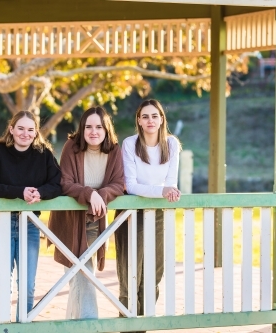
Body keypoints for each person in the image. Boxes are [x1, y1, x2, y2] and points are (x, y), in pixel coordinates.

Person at [0, 110, 62, 321]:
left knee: (27, 285)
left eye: (30, 129)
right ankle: (4, 326)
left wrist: (41, 193)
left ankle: (23, 325)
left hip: (29, 223)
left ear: (36, 131)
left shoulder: (44, 154)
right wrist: (20, 192)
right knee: (3, 282)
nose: (25, 134)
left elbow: (57, 183)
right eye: (20, 128)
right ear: (11, 129)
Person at [48, 106, 124, 319]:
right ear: (81, 129)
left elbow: (119, 183)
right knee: (81, 275)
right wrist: (90, 194)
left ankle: (73, 324)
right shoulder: (71, 147)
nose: (93, 131)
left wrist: (103, 193)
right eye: (88, 127)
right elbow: (65, 182)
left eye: (99, 127)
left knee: (80, 275)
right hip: (71, 222)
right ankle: (89, 324)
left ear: (106, 129)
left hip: (96, 220)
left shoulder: (114, 151)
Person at [115, 99, 181, 333]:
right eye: (145, 116)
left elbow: (171, 185)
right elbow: (131, 186)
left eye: (155, 116)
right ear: (139, 121)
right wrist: (161, 191)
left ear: (162, 119)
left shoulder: (172, 145)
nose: (150, 120)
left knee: (154, 272)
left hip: (157, 212)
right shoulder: (130, 144)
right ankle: (127, 326)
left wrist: (165, 192)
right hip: (131, 213)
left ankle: (142, 326)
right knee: (130, 272)